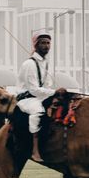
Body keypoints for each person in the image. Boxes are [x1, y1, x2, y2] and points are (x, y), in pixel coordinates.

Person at [15, 32, 56, 162]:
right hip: (27, 98)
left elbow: (47, 85)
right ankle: (35, 150)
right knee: (38, 112)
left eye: (48, 43)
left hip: (41, 97)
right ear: (36, 45)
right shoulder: (29, 64)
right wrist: (54, 92)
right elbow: (33, 89)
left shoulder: (47, 64)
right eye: (43, 43)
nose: (46, 46)